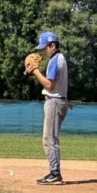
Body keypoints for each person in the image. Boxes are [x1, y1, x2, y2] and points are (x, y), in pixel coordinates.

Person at [29, 31, 69, 185]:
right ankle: (54, 172)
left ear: (53, 45)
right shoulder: (61, 58)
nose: (43, 51)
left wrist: (35, 71)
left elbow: (49, 85)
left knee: (49, 138)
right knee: (51, 138)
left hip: (54, 101)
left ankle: (55, 173)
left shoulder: (54, 60)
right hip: (59, 100)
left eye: (45, 47)